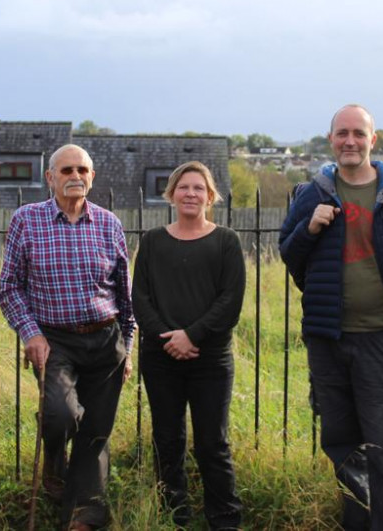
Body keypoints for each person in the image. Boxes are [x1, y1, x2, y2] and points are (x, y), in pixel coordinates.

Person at [278, 104, 383, 531]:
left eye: (358, 134)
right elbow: (288, 254)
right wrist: (309, 228)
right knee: (344, 448)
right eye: (342, 133)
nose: (350, 141)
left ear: (372, 140)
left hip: (380, 342)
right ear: (331, 140)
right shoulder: (313, 193)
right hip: (328, 341)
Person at [0, 144, 135, 531]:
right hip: (54, 340)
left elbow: (125, 295)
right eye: (66, 170)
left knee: (95, 433)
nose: (76, 176)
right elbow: (9, 288)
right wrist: (31, 335)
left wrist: (128, 348)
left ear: (92, 177)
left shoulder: (109, 224)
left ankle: (81, 516)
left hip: (106, 340)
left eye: (83, 170)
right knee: (59, 414)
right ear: (50, 178)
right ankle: (54, 464)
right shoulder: (27, 220)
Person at [132, 161, 245, 530]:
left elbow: (230, 301)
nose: (191, 194)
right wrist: (169, 338)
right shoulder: (152, 241)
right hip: (160, 357)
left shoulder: (227, 241)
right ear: (171, 194)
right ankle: (174, 517)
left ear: (210, 196)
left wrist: (191, 336)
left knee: (213, 444)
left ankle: (224, 519)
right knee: (167, 440)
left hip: (210, 359)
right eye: (184, 187)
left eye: (199, 188)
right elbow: (140, 298)